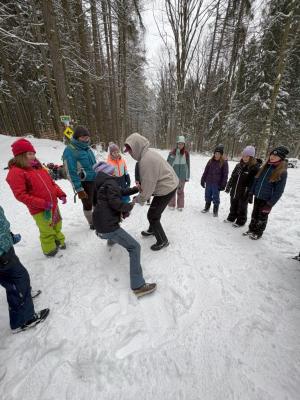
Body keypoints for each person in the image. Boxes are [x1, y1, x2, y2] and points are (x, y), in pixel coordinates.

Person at [92, 161, 156, 297]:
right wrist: (130, 205)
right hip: (108, 228)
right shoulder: (110, 183)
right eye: (112, 170)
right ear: (108, 172)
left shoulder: (102, 184)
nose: (115, 171)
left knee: (113, 230)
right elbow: (116, 203)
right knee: (135, 247)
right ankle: (138, 285)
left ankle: (110, 240)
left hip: (99, 227)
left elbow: (119, 192)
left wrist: (135, 189)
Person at [6, 139, 66, 257]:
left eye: (33, 153)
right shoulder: (16, 172)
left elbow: (51, 183)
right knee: (47, 229)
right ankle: (49, 249)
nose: (33, 156)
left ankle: (58, 240)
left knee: (57, 223)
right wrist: (42, 203)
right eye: (29, 154)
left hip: (53, 204)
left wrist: (61, 194)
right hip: (40, 209)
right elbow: (21, 195)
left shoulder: (39, 167)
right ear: (20, 155)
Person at [124, 132, 179, 251]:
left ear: (137, 147)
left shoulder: (146, 161)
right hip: (167, 183)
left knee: (153, 215)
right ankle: (153, 229)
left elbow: (148, 187)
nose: (130, 153)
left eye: (130, 150)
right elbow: (149, 181)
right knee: (154, 213)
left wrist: (138, 199)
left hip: (167, 188)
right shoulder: (146, 154)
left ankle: (163, 240)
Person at [0, 206, 49, 333]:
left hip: (5, 247)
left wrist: (9, 237)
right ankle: (23, 319)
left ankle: (24, 294)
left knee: (14, 279)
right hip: (2, 252)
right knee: (18, 280)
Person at [244, 145, 289, 240]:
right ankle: (251, 229)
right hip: (258, 196)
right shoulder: (265, 167)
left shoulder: (282, 172)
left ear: (281, 158)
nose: (272, 157)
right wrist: (251, 192)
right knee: (254, 214)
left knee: (262, 217)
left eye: (275, 156)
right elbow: (256, 180)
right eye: (272, 155)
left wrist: (270, 204)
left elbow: (279, 191)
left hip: (267, 200)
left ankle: (258, 232)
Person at [62, 126, 96, 229]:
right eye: (83, 137)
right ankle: (92, 222)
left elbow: (94, 164)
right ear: (77, 137)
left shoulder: (87, 148)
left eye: (87, 137)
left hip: (94, 179)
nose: (86, 139)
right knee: (88, 203)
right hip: (83, 182)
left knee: (97, 200)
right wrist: (78, 188)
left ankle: (98, 217)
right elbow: (70, 172)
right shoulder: (70, 150)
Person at [225, 145, 260, 227]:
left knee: (242, 207)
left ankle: (241, 221)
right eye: (243, 155)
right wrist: (228, 186)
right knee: (233, 204)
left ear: (251, 157)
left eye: (247, 156)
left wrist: (250, 193)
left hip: (244, 192)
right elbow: (233, 177)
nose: (244, 157)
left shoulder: (254, 168)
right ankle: (232, 217)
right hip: (235, 190)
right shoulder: (238, 165)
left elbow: (254, 182)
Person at [201, 144, 229, 217]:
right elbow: (206, 171)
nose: (216, 155)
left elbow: (225, 175)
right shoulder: (210, 161)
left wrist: (223, 184)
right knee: (207, 195)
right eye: (215, 153)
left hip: (216, 184)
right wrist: (203, 179)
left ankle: (215, 210)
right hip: (209, 182)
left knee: (216, 197)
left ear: (221, 155)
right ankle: (207, 207)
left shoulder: (224, 163)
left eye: (218, 154)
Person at [167, 135, 190, 211]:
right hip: (173, 176)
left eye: (182, 144)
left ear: (184, 145)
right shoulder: (172, 153)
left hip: (182, 176)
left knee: (180, 191)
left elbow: (188, 165)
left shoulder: (186, 154)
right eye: (179, 144)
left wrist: (187, 176)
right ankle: (171, 204)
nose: (180, 145)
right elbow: (167, 165)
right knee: (172, 190)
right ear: (177, 144)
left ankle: (180, 206)